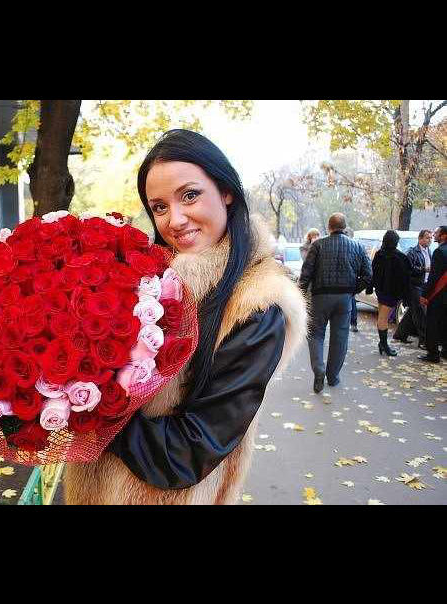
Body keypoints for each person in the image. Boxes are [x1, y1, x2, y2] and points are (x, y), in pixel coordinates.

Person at [63, 130, 307, 505]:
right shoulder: (141, 278)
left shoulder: (257, 305)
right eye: (159, 207)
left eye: (190, 196)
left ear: (226, 191)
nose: (175, 220)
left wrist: (85, 406)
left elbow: (189, 452)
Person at [298, 213, 371, 393]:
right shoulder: (357, 247)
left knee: (315, 334)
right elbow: (368, 275)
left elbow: (306, 273)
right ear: (344, 228)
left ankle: (319, 369)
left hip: (320, 297)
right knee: (340, 337)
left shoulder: (318, 245)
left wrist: (300, 295)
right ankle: (333, 376)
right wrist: (352, 290)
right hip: (344, 299)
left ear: (329, 227)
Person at [366, 230, 412, 356]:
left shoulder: (379, 254)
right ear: (396, 242)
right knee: (383, 318)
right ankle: (384, 345)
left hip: (381, 290)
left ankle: (383, 344)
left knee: (382, 316)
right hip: (391, 293)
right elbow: (406, 278)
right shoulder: (400, 257)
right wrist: (405, 295)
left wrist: (371, 287)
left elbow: (373, 272)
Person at [393, 229, 433, 347]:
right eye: (427, 237)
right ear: (420, 239)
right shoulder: (412, 252)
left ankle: (400, 335)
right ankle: (423, 340)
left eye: (431, 238)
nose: (430, 240)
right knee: (419, 312)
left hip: (425, 284)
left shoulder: (429, 251)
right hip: (415, 285)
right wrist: (423, 269)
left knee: (413, 311)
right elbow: (409, 269)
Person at [419, 225, 447, 363]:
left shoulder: (439, 252)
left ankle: (433, 353)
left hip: (439, 294)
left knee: (432, 324)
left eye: (436, 233)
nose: (434, 235)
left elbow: (434, 276)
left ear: (443, 236)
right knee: (445, 323)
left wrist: (424, 294)